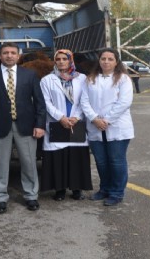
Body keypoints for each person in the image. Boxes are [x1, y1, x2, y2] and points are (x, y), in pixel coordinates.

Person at [0, 42, 47, 213]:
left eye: (13, 52)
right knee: (0, 163)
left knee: (29, 162)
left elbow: (39, 103)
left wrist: (40, 124)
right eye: (5, 53)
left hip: (26, 126)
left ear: (18, 56)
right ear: (0, 56)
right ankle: (0, 198)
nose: (9, 55)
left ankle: (31, 196)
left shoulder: (30, 75)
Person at [80, 48, 135, 206]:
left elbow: (124, 102)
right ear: (99, 61)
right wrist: (94, 119)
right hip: (95, 126)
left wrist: (107, 120)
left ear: (116, 62)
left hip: (117, 127)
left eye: (110, 59)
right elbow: (84, 101)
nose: (106, 61)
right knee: (101, 162)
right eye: (103, 58)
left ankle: (117, 192)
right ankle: (104, 189)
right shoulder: (90, 79)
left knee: (116, 161)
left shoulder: (123, 79)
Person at [39, 49, 93, 201]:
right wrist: (60, 117)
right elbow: (45, 102)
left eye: (64, 59)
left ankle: (77, 190)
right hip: (57, 122)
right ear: (54, 61)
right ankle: (60, 190)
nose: (61, 61)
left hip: (76, 122)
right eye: (58, 59)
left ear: (71, 60)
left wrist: (76, 117)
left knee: (76, 157)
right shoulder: (47, 80)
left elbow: (86, 100)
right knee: (58, 158)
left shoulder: (82, 78)